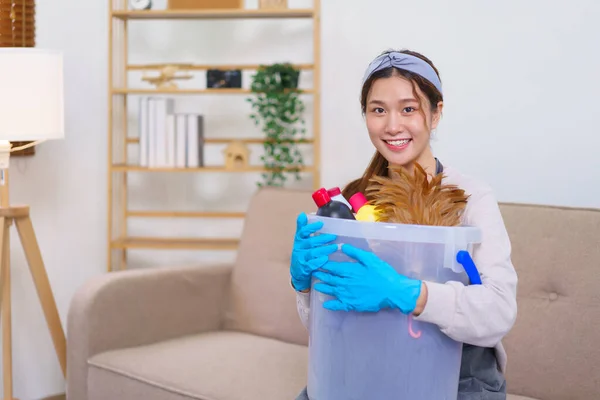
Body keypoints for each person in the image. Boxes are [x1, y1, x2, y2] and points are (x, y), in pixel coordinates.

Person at [290, 49, 518, 399]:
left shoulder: (471, 197)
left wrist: (410, 293)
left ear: (436, 113)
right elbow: (331, 327)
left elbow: (499, 314)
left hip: (458, 379)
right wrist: (306, 286)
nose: (392, 125)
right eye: (378, 109)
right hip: (369, 367)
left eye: (408, 108)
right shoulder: (353, 202)